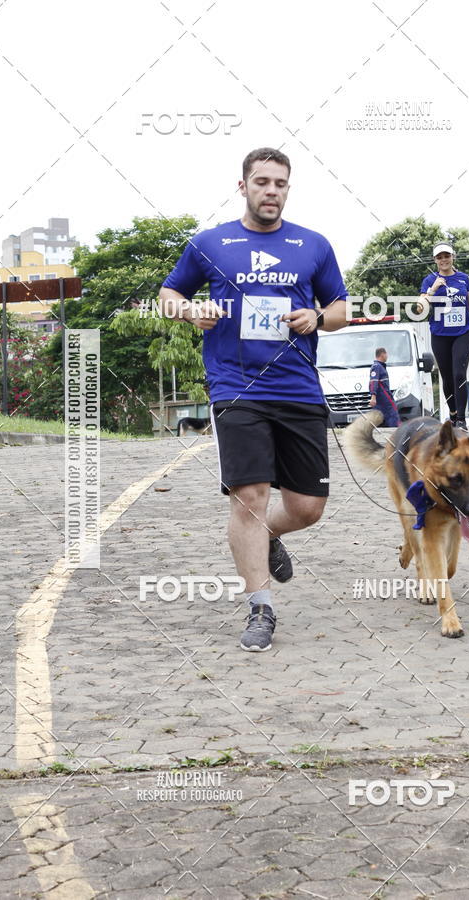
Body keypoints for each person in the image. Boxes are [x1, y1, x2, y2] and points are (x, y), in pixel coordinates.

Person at [158, 148, 348, 651]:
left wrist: (317, 318)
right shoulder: (210, 243)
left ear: (288, 189)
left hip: (298, 388)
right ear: (242, 186)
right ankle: (260, 608)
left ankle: (268, 537)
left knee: (308, 507)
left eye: (280, 183)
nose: (271, 190)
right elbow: (169, 294)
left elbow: (341, 309)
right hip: (236, 387)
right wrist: (188, 311)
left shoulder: (313, 245)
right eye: (261, 182)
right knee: (251, 498)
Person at [418, 242, 469, 432]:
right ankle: (454, 414)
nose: (443, 260)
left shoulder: (464, 279)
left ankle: (462, 420)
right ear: (435, 260)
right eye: (439, 257)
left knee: (459, 374)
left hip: (463, 333)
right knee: (447, 378)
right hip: (440, 335)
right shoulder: (428, 280)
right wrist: (432, 290)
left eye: (446, 256)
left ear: (452, 257)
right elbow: (419, 308)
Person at [368, 348, 400, 427]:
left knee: (380, 419)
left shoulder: (380, 367)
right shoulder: (377, 367)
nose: (387, 356)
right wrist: (373, 397)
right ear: (382, 354)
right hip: (384, 397)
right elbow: (373, 381)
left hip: (382, 398)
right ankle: (395, 433)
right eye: (386, 354)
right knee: (393, 414)